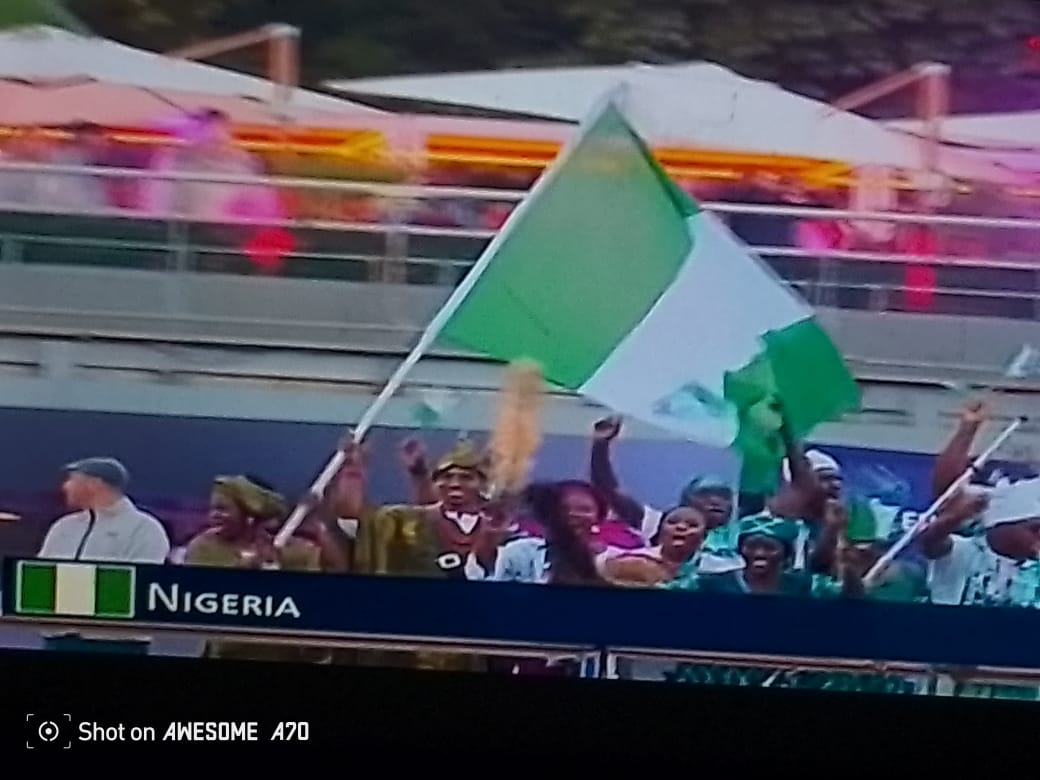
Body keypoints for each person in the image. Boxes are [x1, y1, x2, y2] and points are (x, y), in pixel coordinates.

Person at [183, 474, 325, 663]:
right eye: (212, 508)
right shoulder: (203, 548)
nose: (213, 516)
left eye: (222, 509)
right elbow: (201, 603)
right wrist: (242, 576)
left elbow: (310, 609)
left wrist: (276, 570)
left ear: (249, 516)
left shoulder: (296, 553)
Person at [37, 457, 170, 655]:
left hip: (117, 643)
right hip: (58, 639)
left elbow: (138, 585)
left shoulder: (145, 529)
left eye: (71, 479)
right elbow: (40, 578)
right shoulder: (63, 527)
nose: (65, 486)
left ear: (94, 483)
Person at [589, 416, 741, 572]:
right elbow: (610, 489)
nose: (715, 501)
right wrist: (601, 445)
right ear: (686, 499)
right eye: (705, 494)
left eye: (724, 496)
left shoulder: (745, 534)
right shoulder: (658, 522)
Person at [600, 506, 707, 587]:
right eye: (672, 522)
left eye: (692, 525)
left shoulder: (713, 572)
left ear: (703, 537)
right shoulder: (632, 561)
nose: (681, 527)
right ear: (660, 533)